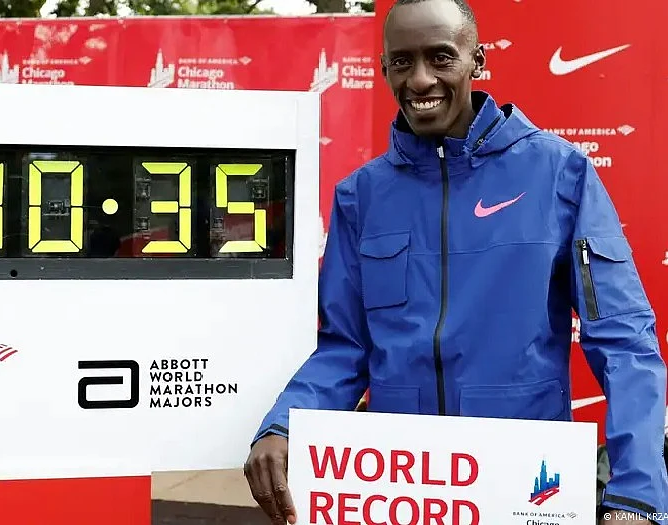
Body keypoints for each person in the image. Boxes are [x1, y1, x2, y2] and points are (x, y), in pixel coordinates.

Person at [242, 0, 668, 524]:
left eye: (441, 58)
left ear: (477, 60)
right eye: (402, 62)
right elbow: (346, 348)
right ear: (384, 69)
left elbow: (624, 340)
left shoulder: (560, 174)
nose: (420, 80)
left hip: (527, 490)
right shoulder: (361, 197)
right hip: (402, 488)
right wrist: (282, 425)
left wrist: (637, 493)